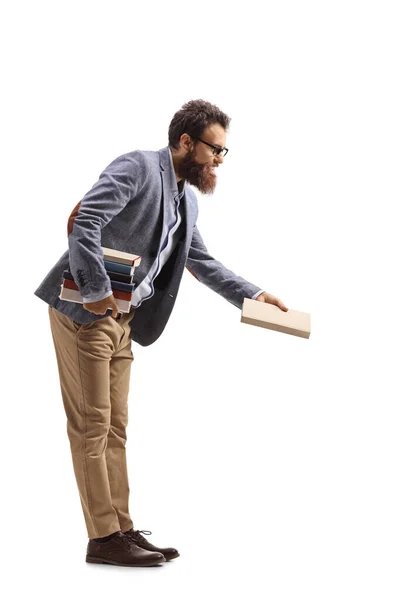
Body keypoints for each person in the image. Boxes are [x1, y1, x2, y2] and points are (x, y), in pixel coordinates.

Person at [34, 99, 288, 567]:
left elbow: (202, 262)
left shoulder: (185, 197)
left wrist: (255, 296)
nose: (218, 160)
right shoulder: (137, 167)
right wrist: (94, 292)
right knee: (92, 427)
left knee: (116, 428)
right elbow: (86, 220)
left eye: (224, 152)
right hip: (86, 312)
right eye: (215, 149)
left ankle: (121, 529)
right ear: (186, 141)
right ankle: (102, 537)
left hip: (125, 320)